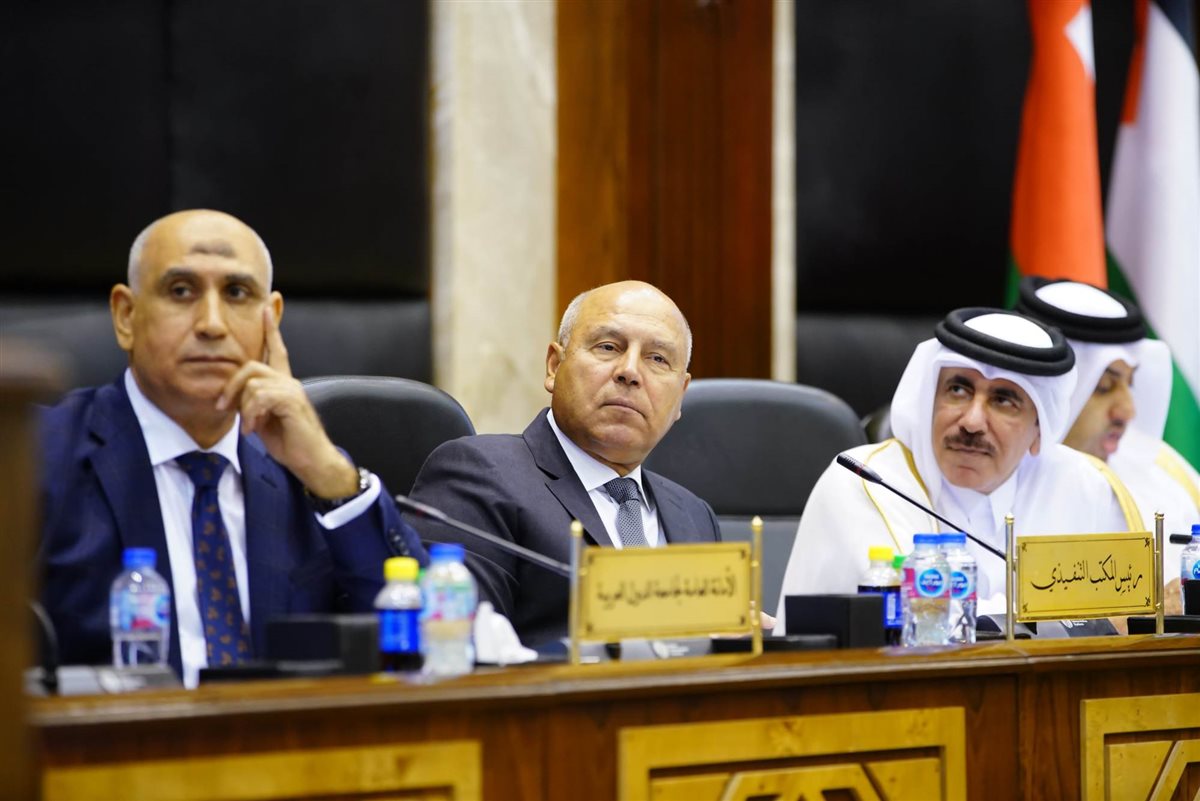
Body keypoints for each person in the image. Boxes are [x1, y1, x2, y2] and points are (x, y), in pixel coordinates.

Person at [38, 209, 426, 687]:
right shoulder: (35, 456)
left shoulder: (305, 473)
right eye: (181, 291)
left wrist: (331, 478)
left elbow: (426, 644)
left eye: (237, 293)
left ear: (272, 320)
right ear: (126, 316)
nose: (212, 324)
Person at [773, 307, 1141, 633]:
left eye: (1003, 400)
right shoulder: (866, 483)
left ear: (1039, 429)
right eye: (958, 390)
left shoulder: (1085, 487)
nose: (972, 422)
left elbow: (1127, 619)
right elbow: (921, 623)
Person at [407, 281, 722, 646]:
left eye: (658, 359)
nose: (630, 371)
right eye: (608, 347)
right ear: (555, 366)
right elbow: (459, 648)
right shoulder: (478, 473)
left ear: (680, 395)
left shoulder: (694, 515)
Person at [1016, 277, 1199, 613]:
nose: (1127, 411)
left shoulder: (1162, 468)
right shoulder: (995, 480)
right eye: (1103, 386)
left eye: (1130, 383)